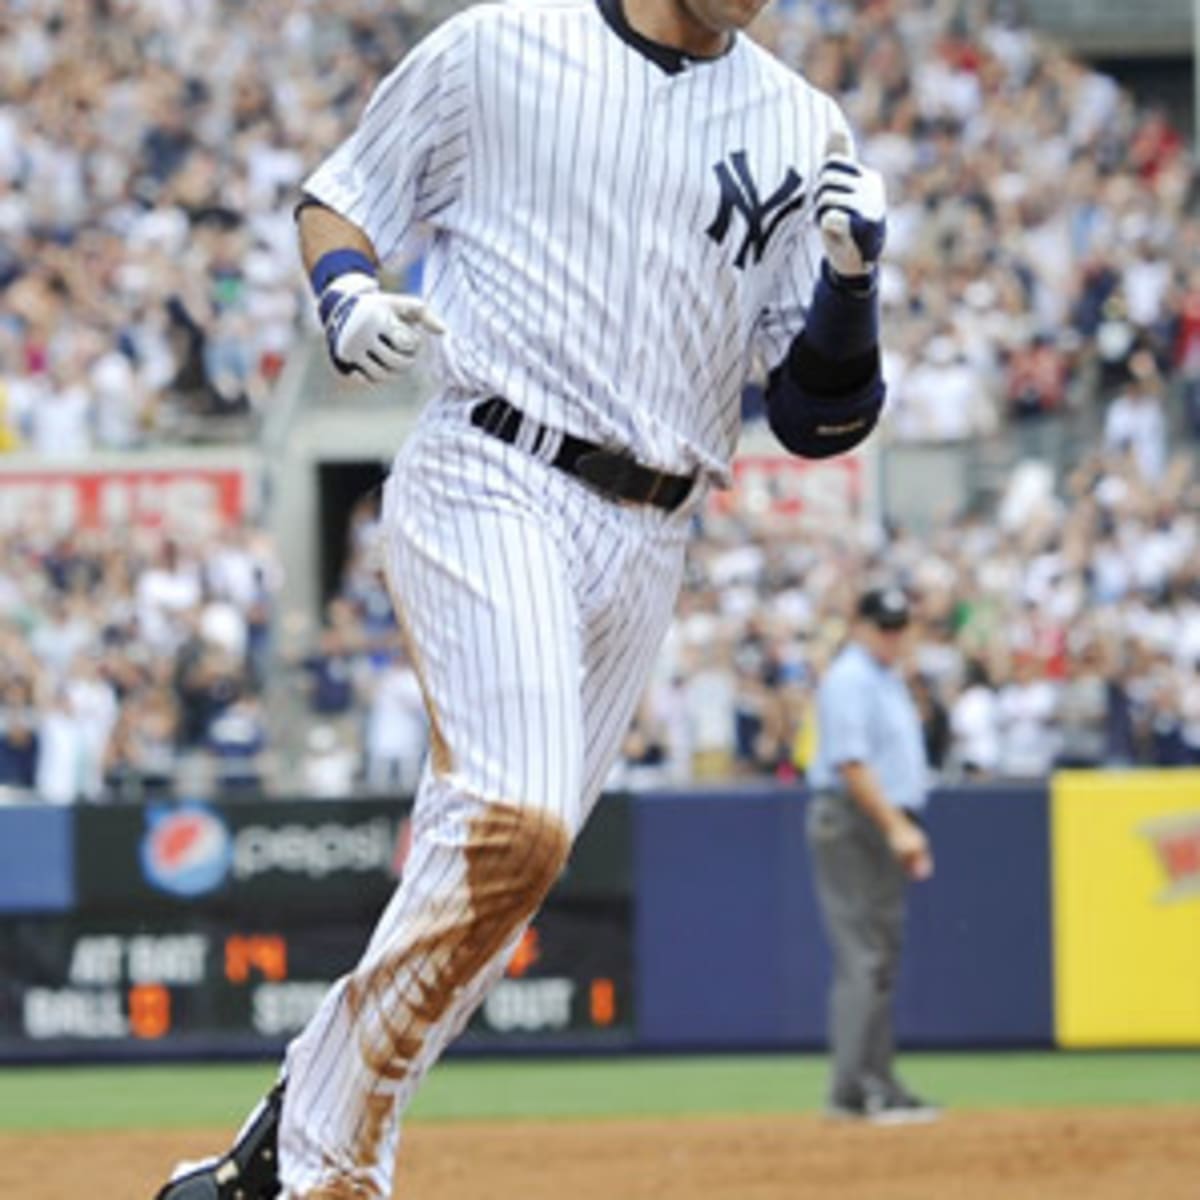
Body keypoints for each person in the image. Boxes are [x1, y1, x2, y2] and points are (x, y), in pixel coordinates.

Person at [155, 0, 890, 1192]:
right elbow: (345, 194)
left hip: (652, 532)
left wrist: (851, 285)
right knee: (516, 821)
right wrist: (345, 296)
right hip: (494, 463)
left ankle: (272, 1143)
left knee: (503, 873)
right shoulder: (502, 45)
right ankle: (327, 1170)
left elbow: (817, 418)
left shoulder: (804, 128)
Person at [805, 585, 939, 1124]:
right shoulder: (851, 677)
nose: (893, 635)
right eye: (883, 625)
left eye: (899, 625)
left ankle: (878, 1082)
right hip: (854, 820)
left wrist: (901, 826)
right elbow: (852, 764)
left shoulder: (886, 677)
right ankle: (853, 1089)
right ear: (858, 625)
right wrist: (896, 827)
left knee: (881, 954)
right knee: (863, 955)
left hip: (882, 821)